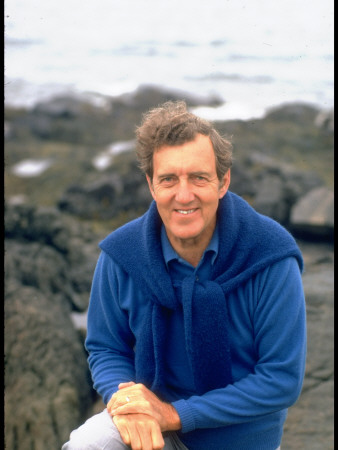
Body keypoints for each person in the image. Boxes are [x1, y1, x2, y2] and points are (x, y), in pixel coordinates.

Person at [62, 101, 306, 450]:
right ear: (151, 185)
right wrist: (130, 407)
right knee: (89, 443)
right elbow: (106, 347)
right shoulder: (121, 256)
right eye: (169, 179)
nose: (184, 194)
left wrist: (174, 414)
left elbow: (281, 379)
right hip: (152, 433)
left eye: (199, 177)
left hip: (241, 442)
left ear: (223, 182)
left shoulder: (270, 256)